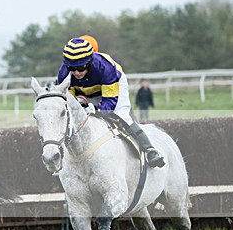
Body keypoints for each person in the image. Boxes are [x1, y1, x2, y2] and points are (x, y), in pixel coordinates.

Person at [56, 37, 165, 168]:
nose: (77, 73)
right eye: (72, 69)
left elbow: (109, 105)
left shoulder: (106, 68)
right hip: (86, 88)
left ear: (89, 62)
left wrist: (96, 109)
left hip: (113, 84)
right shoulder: (64, 74)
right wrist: (77, 102)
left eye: (81, 68)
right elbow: (67, 101)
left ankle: (150, 150)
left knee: (120, 116)